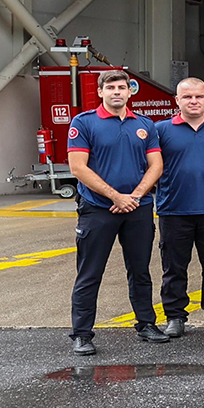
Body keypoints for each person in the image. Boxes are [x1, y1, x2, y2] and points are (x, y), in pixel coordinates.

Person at [65, 69, 167, 355]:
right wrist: (115, 196)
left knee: (140, 270)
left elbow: (156, 166)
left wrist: (134, 197)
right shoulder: (84, 123)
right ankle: (82, 334)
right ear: (100, 92)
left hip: (138, 208)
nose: (117, 92)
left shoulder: (145, 125)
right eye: (110, 88)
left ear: (130, 92)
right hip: (98, 209)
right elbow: (78, 167)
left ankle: (146, 324)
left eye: (122, 87)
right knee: (89, 272)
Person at [153, 78, 204, 337]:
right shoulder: (161, 130)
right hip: (173, 210)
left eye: (199, 96)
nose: (194, 101)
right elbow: (151, 166)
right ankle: (175, 316)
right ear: (177, 100)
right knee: (174, 267)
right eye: (187, 97)